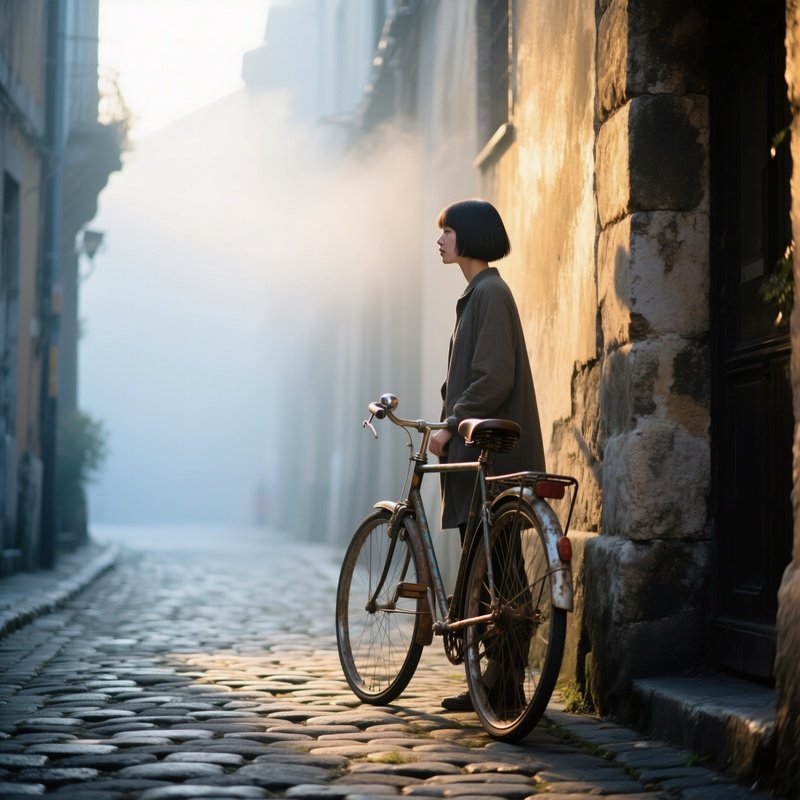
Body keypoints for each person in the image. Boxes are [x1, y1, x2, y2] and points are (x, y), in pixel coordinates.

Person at [428, 198, 545, 712]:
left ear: (469, 236)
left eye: (447, 231)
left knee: (502, 574)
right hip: (480, 455)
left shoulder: (491, 293)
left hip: (490, 455)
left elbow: (493, 376)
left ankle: (505, 685)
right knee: (494, 570)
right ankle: (495, 682)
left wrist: (452, 422)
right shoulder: (477, 295)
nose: (440, 240)